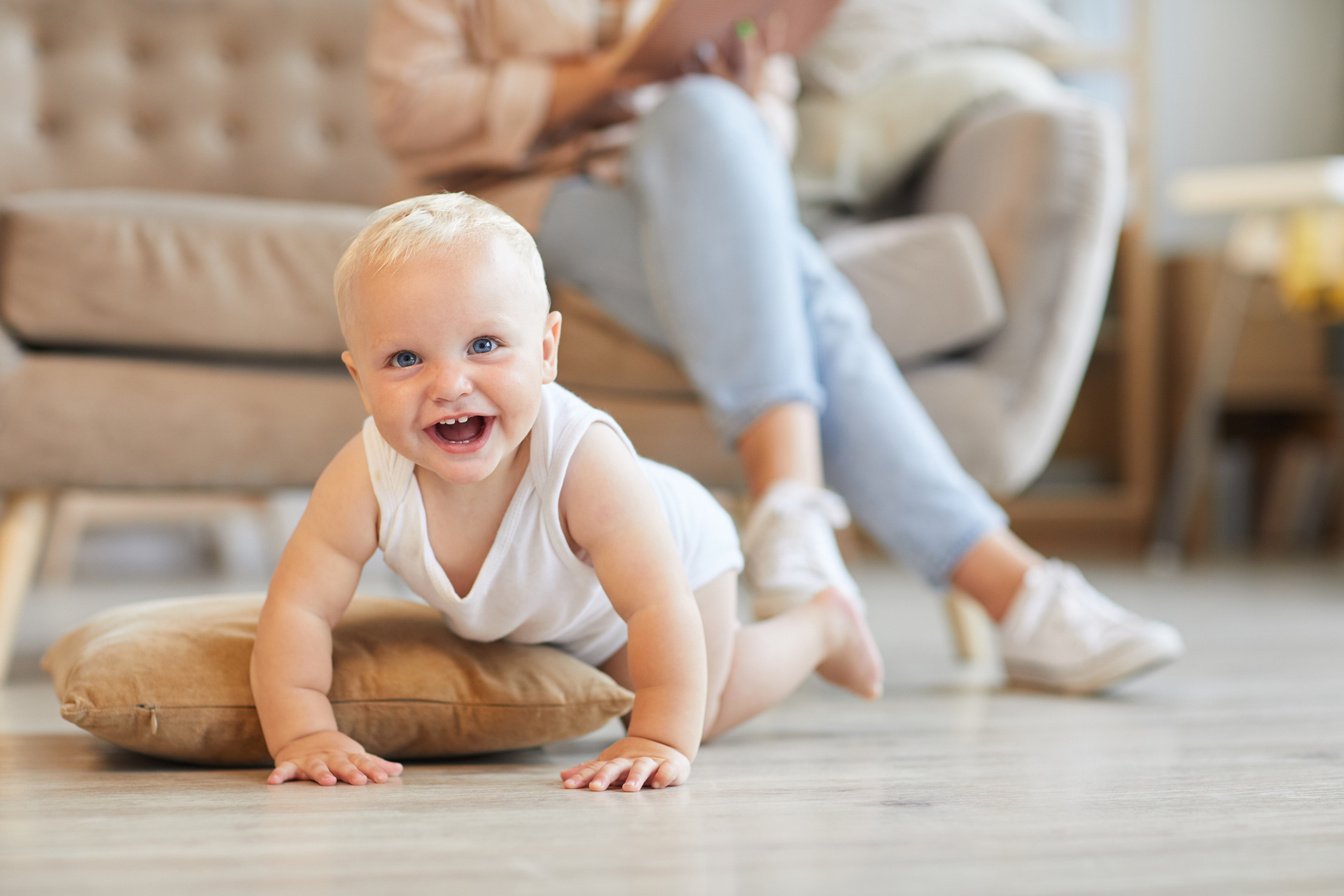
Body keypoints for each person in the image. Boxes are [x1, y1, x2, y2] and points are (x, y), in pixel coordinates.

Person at [365, 0, 1184, 695]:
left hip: (697, 184)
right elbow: (407, 106)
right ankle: (1004, 583)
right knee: (799, 296)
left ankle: (797, 510)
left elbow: (765, 133)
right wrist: (608, 79)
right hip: (535, 200)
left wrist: (747, 90)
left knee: (709, 121)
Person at [250, 192, 884, 791]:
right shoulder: (365, 475)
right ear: (360, 380)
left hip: (674, 567)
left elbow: (657, 607)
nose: (450, 384)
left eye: (485, 345)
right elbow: (299, 609)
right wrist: (304, 733)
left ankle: (822, 623)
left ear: (547, 350)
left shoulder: (584, 461)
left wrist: (659, 740)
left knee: (700, 713)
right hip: (548, 607)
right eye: (406, 359)